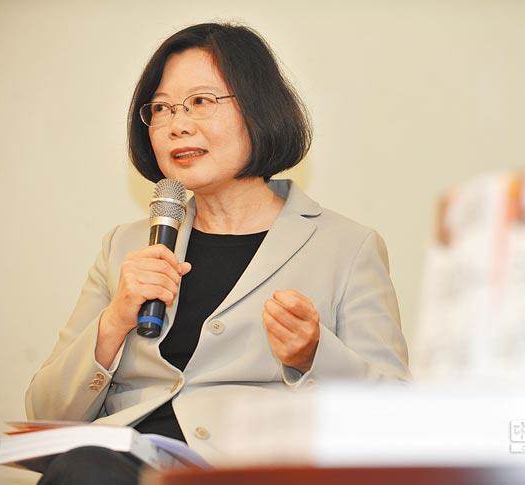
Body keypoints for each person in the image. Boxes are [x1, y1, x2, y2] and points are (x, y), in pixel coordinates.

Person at [26, 22, 410, 484]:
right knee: (81, 469)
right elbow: (45, 416)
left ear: (258, 109)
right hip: (117, 467)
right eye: (162, 109)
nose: (178, 125)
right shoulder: (124, 246)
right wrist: (114, 322)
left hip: (252, 470)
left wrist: (314, 354)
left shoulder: (345, 247)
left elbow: (396, 417)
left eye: (201, 102)